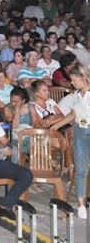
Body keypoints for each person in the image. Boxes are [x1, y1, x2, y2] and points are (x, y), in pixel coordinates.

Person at [52, 65, 90, 218]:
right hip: (80, 132)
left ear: (82, 78)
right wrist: (55, 126)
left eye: (74, 80)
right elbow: (72, 115)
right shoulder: (75, 96)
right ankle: (81, 205)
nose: (72, 83)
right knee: (80, 169)